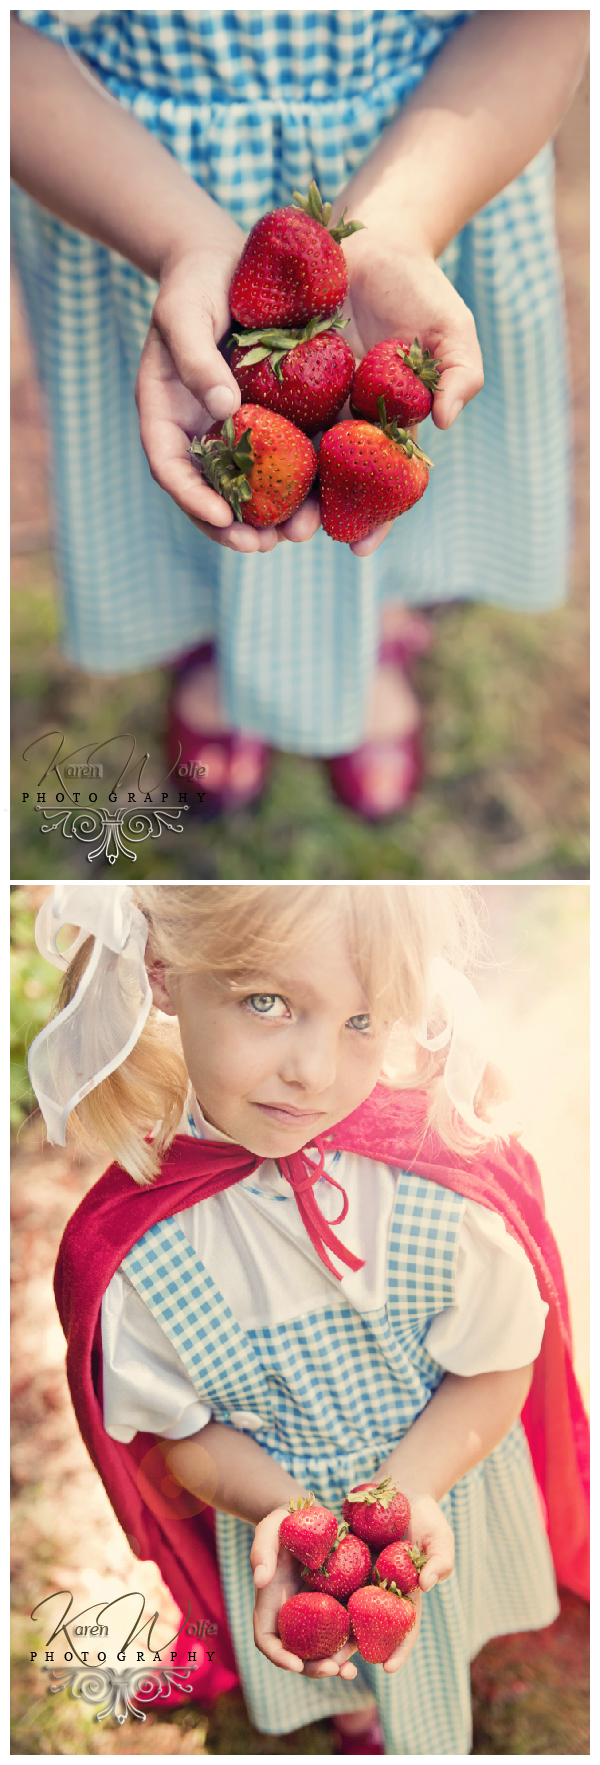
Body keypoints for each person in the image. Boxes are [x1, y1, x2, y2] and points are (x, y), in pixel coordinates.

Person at [28, 882, 589, 1754]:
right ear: (164, 972)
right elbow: (183, 1437)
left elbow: (498, 1364)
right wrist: (286, 1512)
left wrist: (414, 1489)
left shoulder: (433, 1191)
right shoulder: (146, 1250)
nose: (315, 1070)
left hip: (443, 1486)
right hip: (280, 1515)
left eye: (362, 1021)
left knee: (446, 1604)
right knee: (335, 1657)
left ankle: (461, 1654)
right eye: (269, 1002)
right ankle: (356, 1713)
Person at [11, 12, 589, 820]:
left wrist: (402, 229)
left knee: (377, 469)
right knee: (193, 461)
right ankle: (212, 640)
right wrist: (182, 244)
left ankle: (379, 631)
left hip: (428, 170)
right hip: (126, 187)